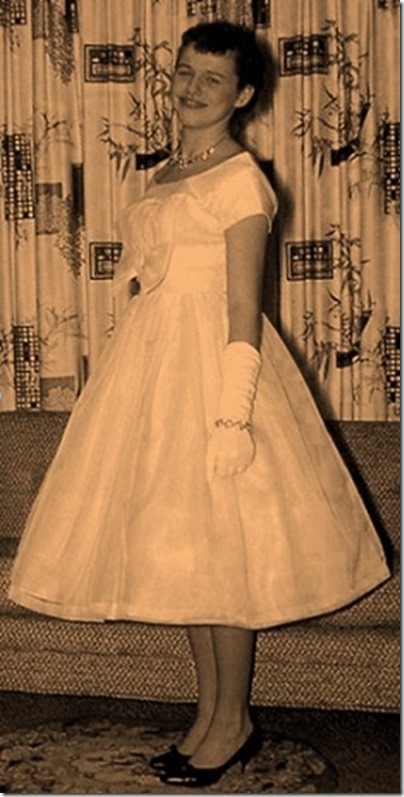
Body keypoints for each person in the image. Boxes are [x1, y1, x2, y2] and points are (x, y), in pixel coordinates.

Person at [8, 20, 390, 789]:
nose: (192, 88)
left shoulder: (242, 181)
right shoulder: (165, 174)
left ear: (242, 95)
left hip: (216, 378)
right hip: (155, 376)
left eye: (212, 79)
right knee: (188, 561)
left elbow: (243, 306)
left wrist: (231, 416)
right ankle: (213, 715)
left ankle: (232, 721)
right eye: (185, 72)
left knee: (224, 566)